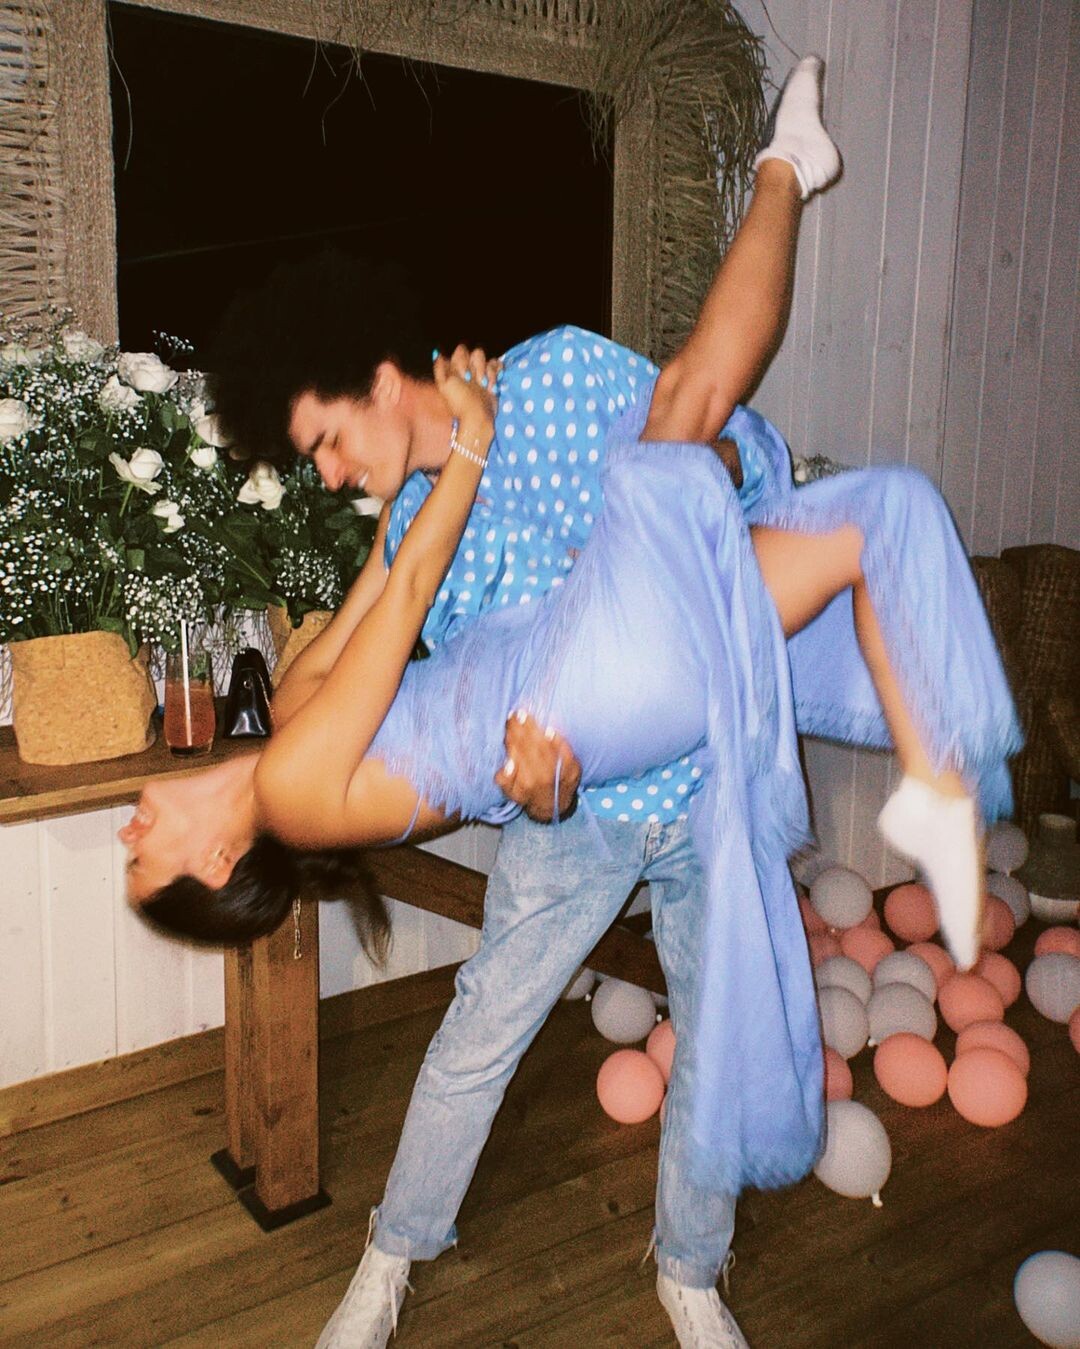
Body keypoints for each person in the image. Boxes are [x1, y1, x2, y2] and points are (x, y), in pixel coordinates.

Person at [123, 59, 1020, 1348]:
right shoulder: (418, 537)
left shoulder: (547, 380)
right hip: (580, 812)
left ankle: (689, 1275)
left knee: (713, 1030)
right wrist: (538, 788)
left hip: (698, 775)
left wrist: (694, 466)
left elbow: (713, 450)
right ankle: (392, 1257)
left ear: (376, 374)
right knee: (479, 1031)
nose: (326, 475)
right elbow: (460, 725)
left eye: (323, 440)